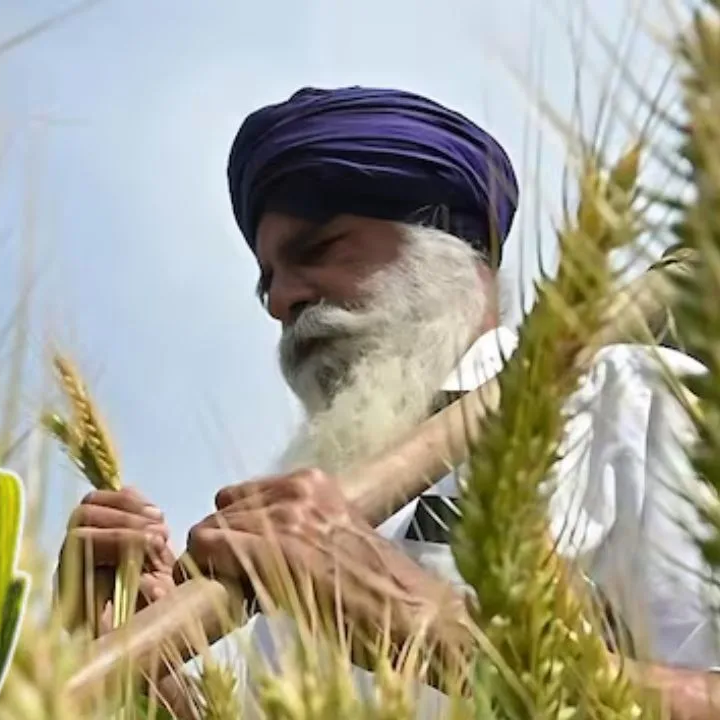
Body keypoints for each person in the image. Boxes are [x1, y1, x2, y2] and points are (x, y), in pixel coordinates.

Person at [53, 85, 720, 718]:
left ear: (442, 244)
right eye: (268, 286)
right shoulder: (316, 530)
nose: (283, 299)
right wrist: (146, 680)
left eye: (318, 250)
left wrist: (412, 622)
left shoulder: (631, 401)